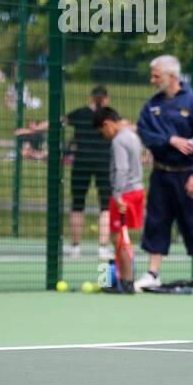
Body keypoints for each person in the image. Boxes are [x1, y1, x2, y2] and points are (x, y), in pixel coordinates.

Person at [135, 55, 193, 294]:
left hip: (188, 176)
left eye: (156, 76)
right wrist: (170, 140)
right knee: (156, 223)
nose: (152, 80)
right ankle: (152, 274)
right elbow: (145, 133)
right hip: (161, 175)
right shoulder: (152, 106)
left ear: (172, 76)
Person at [95, 107, 145, 292]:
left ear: (107, 124)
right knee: (123, 236)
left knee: (119, 236)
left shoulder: (118, 141)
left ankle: (126, 281)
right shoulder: (132, 136)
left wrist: (117, 194)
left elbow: (122, 169)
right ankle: (124, 279)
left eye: (103, 132)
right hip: (137, 190)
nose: (104, 136)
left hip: (125, 193)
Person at [65, 85, 114, 259]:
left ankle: (75, 247)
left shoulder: (79, 113)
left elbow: (57, 121)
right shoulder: (110, 114)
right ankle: (102, 247)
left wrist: (33, 129)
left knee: (78, 204)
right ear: (105, 98)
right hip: (103, 162)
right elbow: (126, 126)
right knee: (105, 206)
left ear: (90, 97)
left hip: (82, 162)